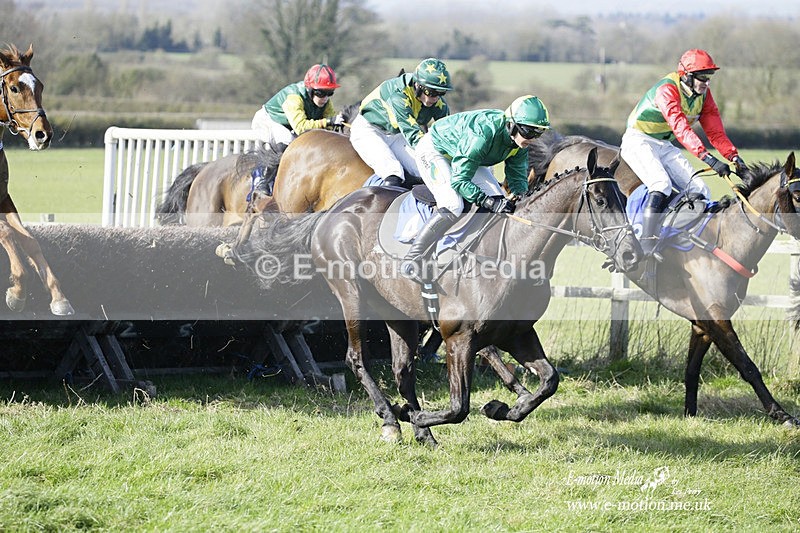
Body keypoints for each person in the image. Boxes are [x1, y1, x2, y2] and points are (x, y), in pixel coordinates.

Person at [401, 95, 551, 281]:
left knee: (500, 199)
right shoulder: (482, 133)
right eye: (529, 132)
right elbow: (460, 181)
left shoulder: (519, 144)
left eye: (538, 133)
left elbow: (517, 179)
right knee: (453, 203)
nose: (532, 139)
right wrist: (486, 201)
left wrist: (522, 200)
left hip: (465, 155)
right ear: (512, 124)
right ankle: (413, 257)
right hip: (435, 151)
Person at [621, 49, 748, 255]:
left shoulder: (703, 95)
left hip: (664, 145)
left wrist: (735, 158)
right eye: (702, 78)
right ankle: (645, 243)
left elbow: (715, 132)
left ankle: (676, 237)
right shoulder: (666, 90)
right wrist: (708, 159)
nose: (706, 83)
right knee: (661, 184)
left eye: (709, 78)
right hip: (638, 140)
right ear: (687, 75)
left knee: (701, 190)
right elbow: (681, 128)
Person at [350, 58, 453, 187]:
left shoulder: (439, 103)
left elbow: (449, 135)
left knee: (426, 171)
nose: (435, 98)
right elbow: (413, 134)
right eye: (431, 92)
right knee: (394, 174)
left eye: (441, 93)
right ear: (418, 85)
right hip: (368, 130)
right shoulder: (398, 95)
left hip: (396, 135)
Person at [249, 64, 345, 197]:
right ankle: (262, 182)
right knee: (288, 142)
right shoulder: (294, 97)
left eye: (329, 93)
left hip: (289, 125)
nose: (325, 98)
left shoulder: (326, 102)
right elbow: (301, 127)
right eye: (320, 93)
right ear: (309, 88)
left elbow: (330, 124)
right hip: (269, 120)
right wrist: (327, 122)